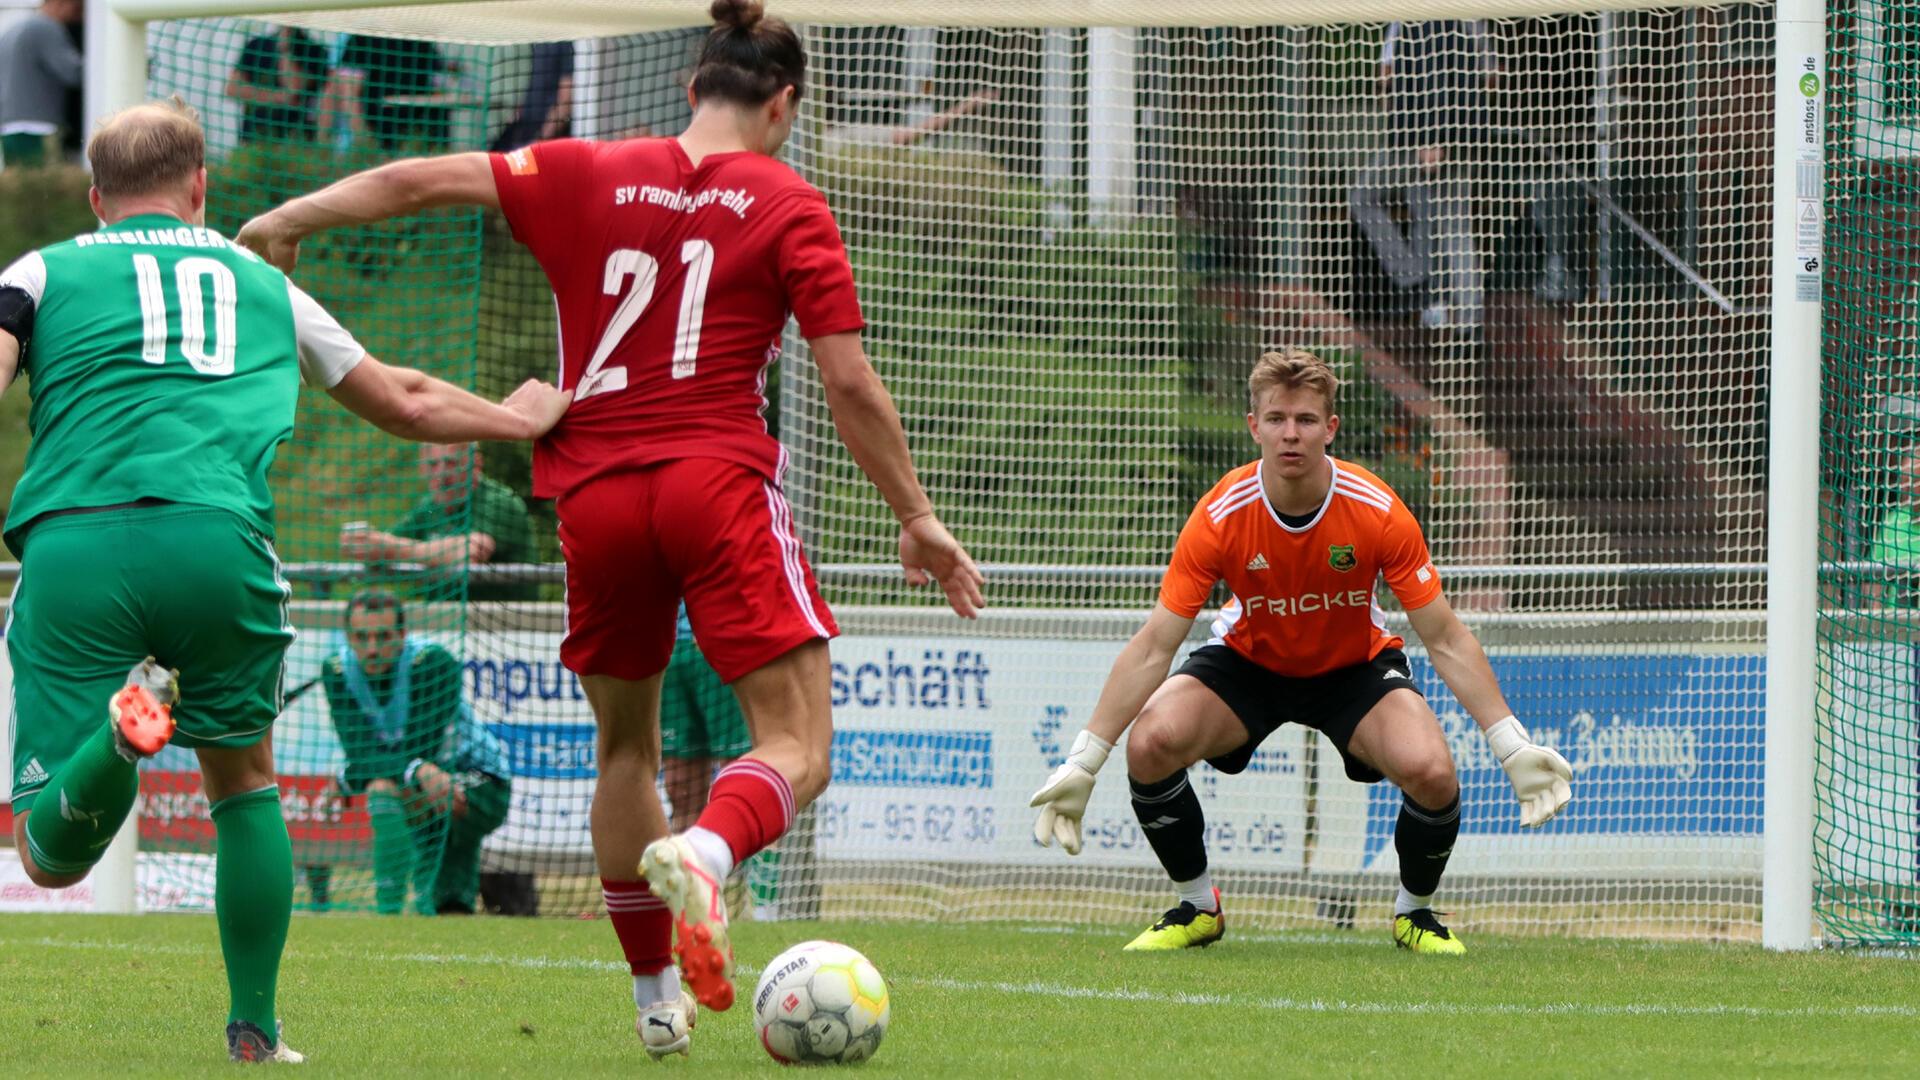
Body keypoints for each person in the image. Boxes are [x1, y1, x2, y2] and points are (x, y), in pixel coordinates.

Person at [237, 0, 983, 1058]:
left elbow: (412, 182)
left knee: (623, 751)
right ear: (782, 104)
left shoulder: (580, 168)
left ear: (690, 90)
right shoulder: (790, 200)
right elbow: (849, 381)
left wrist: (290, 221)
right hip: (710, 479)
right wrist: (916, 515)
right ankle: (713, 857)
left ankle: (654, 1004)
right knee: (798, 745)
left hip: (591, 493)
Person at [0, 98, 568, 1063]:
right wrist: (518, 420)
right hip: (221, 549)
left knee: (46, 858)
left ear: (96, 199)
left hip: (76, 547)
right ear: (201, 188)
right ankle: (255, 1029)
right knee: (246, 787)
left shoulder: (41, 270)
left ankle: (115, 739)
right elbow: (405, 400)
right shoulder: (263, 279)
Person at [1028, 348, 1571, 955]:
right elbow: (1156, 645)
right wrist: (1085, 758)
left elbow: (1444, 636)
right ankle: (1197, 906)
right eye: (1278, 417)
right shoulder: (1219, 515)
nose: (1291, 433)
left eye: (1307, 420)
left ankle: (1415, 914)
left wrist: (1509, 742)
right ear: (1253, 425)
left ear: (1330, 428)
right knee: (1151, 742)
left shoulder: (1376, 509)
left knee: (1433, 773)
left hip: (1353, 670)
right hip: (1249, 666)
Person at [322, 589, 513, 915]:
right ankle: (416, 909)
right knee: (385, 786)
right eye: (361, 637)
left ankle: (410, 908)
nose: (372, 649)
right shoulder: (338, 671)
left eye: (383, 637)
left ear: (402, 634)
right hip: (422, 783)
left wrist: (348, 777)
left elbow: (418, 747)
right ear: (348, 637)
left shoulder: (433, 663)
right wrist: (407, 769)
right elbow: (360, 753)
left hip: (482, 782)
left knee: (409, 787)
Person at [339, 442, 539, 602]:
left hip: (504, 626)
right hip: (441, 621)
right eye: (433, 464)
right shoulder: (429, 507)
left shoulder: (499, 501)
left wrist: (391, 549)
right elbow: (388, 544)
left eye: (450, 463)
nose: (441, 474)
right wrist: (365, 544)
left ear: (475, 463)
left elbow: (470, 551)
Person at [321, 34, 454, 152]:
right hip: (380, 130)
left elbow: (439, 84)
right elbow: (348, 92)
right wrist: (363, 139)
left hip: (419, 130)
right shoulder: (364, 36)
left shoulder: (420, 38)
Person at [0, 0, 84, 169]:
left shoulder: (12, 29)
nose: (79, 16)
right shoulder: (46, 28)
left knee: (22, 187)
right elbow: (73, 72)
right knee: (46, 187)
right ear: (61, 3)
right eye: (77, 8)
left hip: (10, 126)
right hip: (40, 127)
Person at [225, 25, 332, 145]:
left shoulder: (316, 52)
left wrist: (284, 49)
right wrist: (277, 96)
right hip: (254, 138)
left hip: (295, 141)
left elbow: (294, 88)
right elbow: (232, 89)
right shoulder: (257, 45)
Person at [490, 41, 575, 153]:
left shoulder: (563, 43)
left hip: (544, 140)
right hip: (521, 134)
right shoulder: (531, 41)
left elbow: (566, 97)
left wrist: (542, 138)